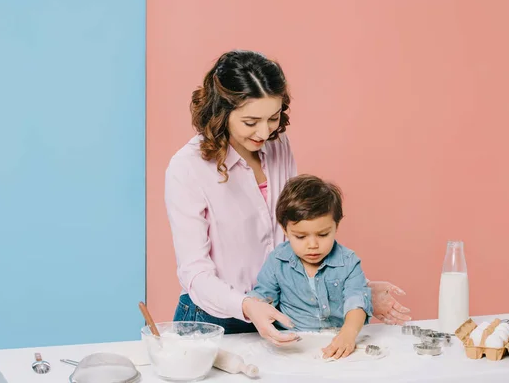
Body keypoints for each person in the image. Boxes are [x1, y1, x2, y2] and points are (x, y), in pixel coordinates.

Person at [165, 49, 411, 346]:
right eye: (250, 121)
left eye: (273, 117)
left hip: (279, 310)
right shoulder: (188, 167)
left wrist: (356, 287)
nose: (264, 132)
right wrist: (247, 305)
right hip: (213, 321)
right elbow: (195, 274)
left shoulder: (278, 144)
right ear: (222, 112)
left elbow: (294, 234)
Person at [248, 174, 372, 360]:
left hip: (337, 339)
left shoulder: (348, 261)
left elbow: (357, 301)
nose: (313, 245)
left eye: (322, 235)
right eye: (300, 237)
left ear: (336, 226)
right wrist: (255, 306)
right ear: (285, 230)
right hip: (294, 345)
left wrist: (348, 334)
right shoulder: (277, 261)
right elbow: (263, 297)